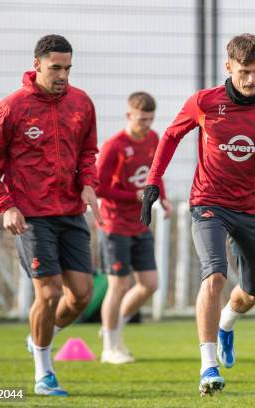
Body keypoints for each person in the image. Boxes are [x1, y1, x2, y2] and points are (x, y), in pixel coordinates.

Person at [140, 33, 255, 396]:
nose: (252, 80)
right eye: (245, 72)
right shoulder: (204, 102)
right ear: (229, 67)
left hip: (253, 208)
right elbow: (170, 136)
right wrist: (153, 182)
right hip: (208, 201)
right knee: (215, 277)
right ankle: (208, 365)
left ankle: (227, 323)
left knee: (252, 291)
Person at [0, 34, 102, 396]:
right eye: (55, 68)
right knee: (47, 294)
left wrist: (89, 185)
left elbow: (88, 153)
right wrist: (5, 205)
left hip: (71, 211)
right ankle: (44, 374)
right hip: (31, 215)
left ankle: (40, 338)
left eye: (67, 68)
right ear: (37, 66)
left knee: (80, 295)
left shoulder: (81, 104)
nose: (62, 75)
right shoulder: (11, 108)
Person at [96, 92, 172, 364]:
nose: (146, 124)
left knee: (150, 284)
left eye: (150, 119)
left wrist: (161, 198)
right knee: (119, 284)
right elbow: (98, 187)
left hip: (139, 222)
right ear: (129, 115)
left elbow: (155, 173)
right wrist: (134, 196)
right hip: (114, 223)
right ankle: (108, 347)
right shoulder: (114, 145)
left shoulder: (153, 139)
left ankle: (113, 329)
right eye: (142, 119)